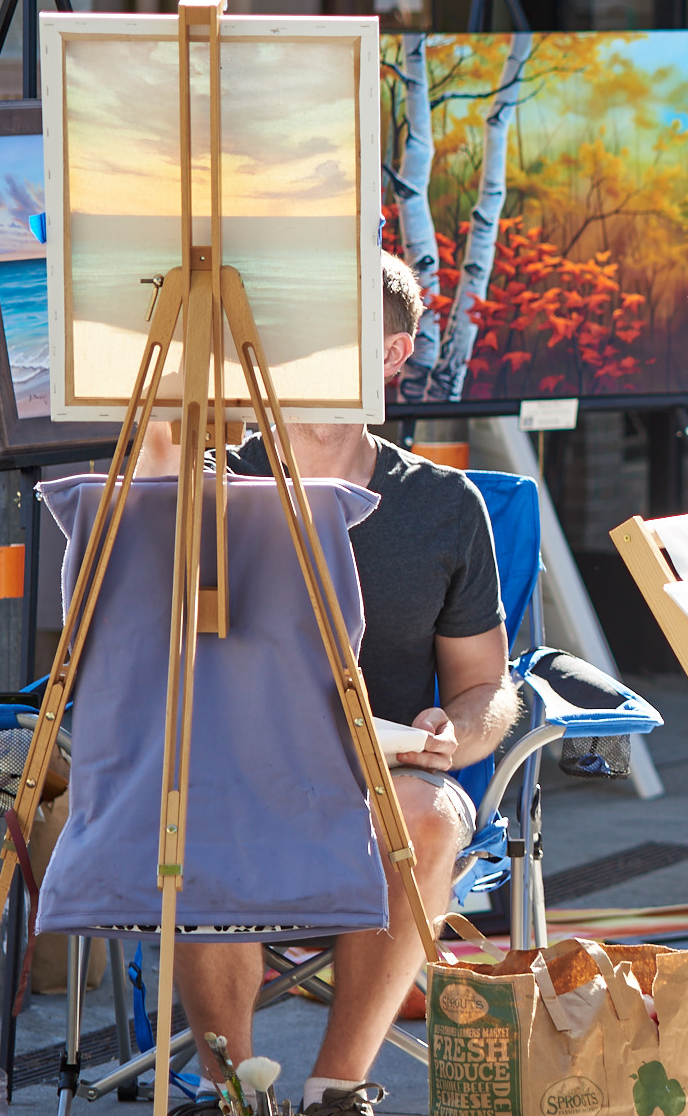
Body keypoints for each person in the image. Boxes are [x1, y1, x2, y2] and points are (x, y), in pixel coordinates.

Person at [172, 254, 519, 1116]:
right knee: (198, 803)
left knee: (430, 810)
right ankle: (228, 1093)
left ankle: (337, 1087)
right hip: (235, 773)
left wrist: (457, 730)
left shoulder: (444, 506)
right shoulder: (208, 486)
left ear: (393, 353)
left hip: (384, 785)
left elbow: (488, 684)